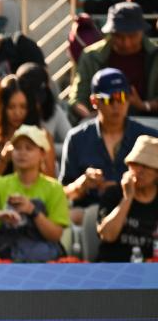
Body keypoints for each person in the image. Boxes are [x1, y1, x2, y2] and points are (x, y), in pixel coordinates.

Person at [62, 68, 158, 220]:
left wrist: (126, 187)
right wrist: (81, 185)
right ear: (94, 102)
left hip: (140, 215)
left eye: (122, 97)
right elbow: (62, 195)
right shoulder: (77, 139)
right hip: (90, 215)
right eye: (108, 99)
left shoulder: (150, 137)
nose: (116, 105)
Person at [0, 124, 69, 261]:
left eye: (29, 148)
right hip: (7, 261)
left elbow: (55, 235)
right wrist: (0, 214)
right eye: (17, 148)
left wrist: (32, 211)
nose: (22, 153)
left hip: (45, 262)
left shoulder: (54, 188)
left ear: (42, 154)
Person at [69, 2, 158, 120]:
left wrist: (144, 106)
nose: (126, 43)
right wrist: (92, 118)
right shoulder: (91, 56)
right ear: (110, 34)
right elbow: (77, 98)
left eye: (132, 36)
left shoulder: (155, 55)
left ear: (142, 32)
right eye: (119, 36)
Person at [0, 74, 55, 190]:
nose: (17, 112)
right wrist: (3, 160)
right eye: (11, 107)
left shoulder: (43, 136)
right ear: (1, 108)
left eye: (23, 107)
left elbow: (52, 182)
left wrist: (37, 159)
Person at [97, 134, 158, 262]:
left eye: (146, 166)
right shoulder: (113, 194)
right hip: (112, 267)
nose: (139, 170)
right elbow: (107, 235)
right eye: (135, 164)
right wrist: (127, 198)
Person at [15, 62, 71, 155]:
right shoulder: (15, 114)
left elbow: (73, 144)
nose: (37, 104)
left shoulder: (54, 110)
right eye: (31, 99)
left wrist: (43, 147)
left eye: (39, 98)